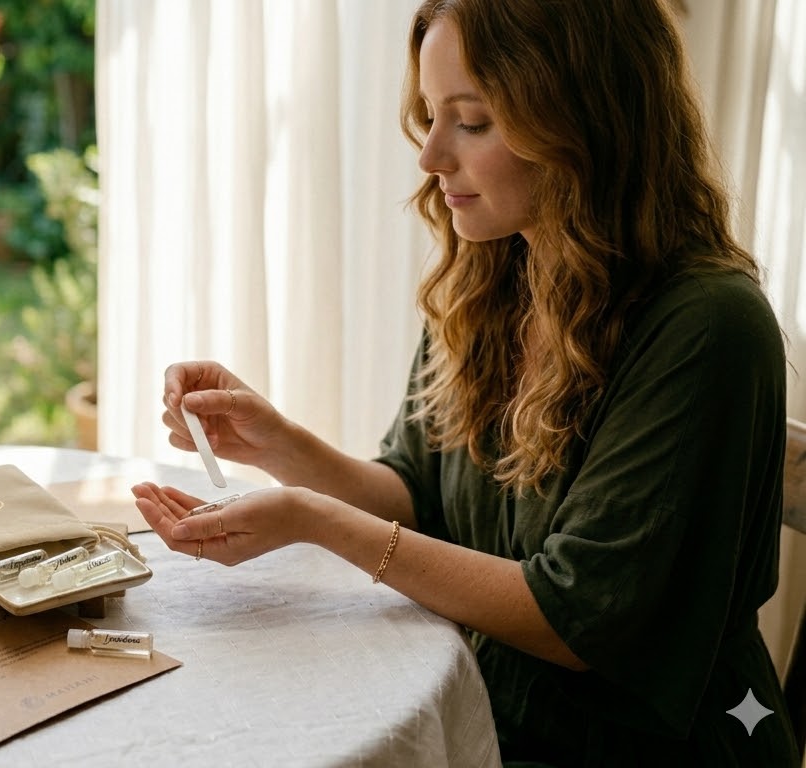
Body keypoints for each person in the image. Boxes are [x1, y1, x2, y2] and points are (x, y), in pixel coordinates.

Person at [131, 1, 797, 765]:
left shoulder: (707, 326)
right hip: (490, 713)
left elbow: (574, 619)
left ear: (585, 121)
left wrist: (315, 519)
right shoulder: (497, 273)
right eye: (430, 116)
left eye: (472, 122)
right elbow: (419, 494)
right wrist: (276, 445)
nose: (431, 157)